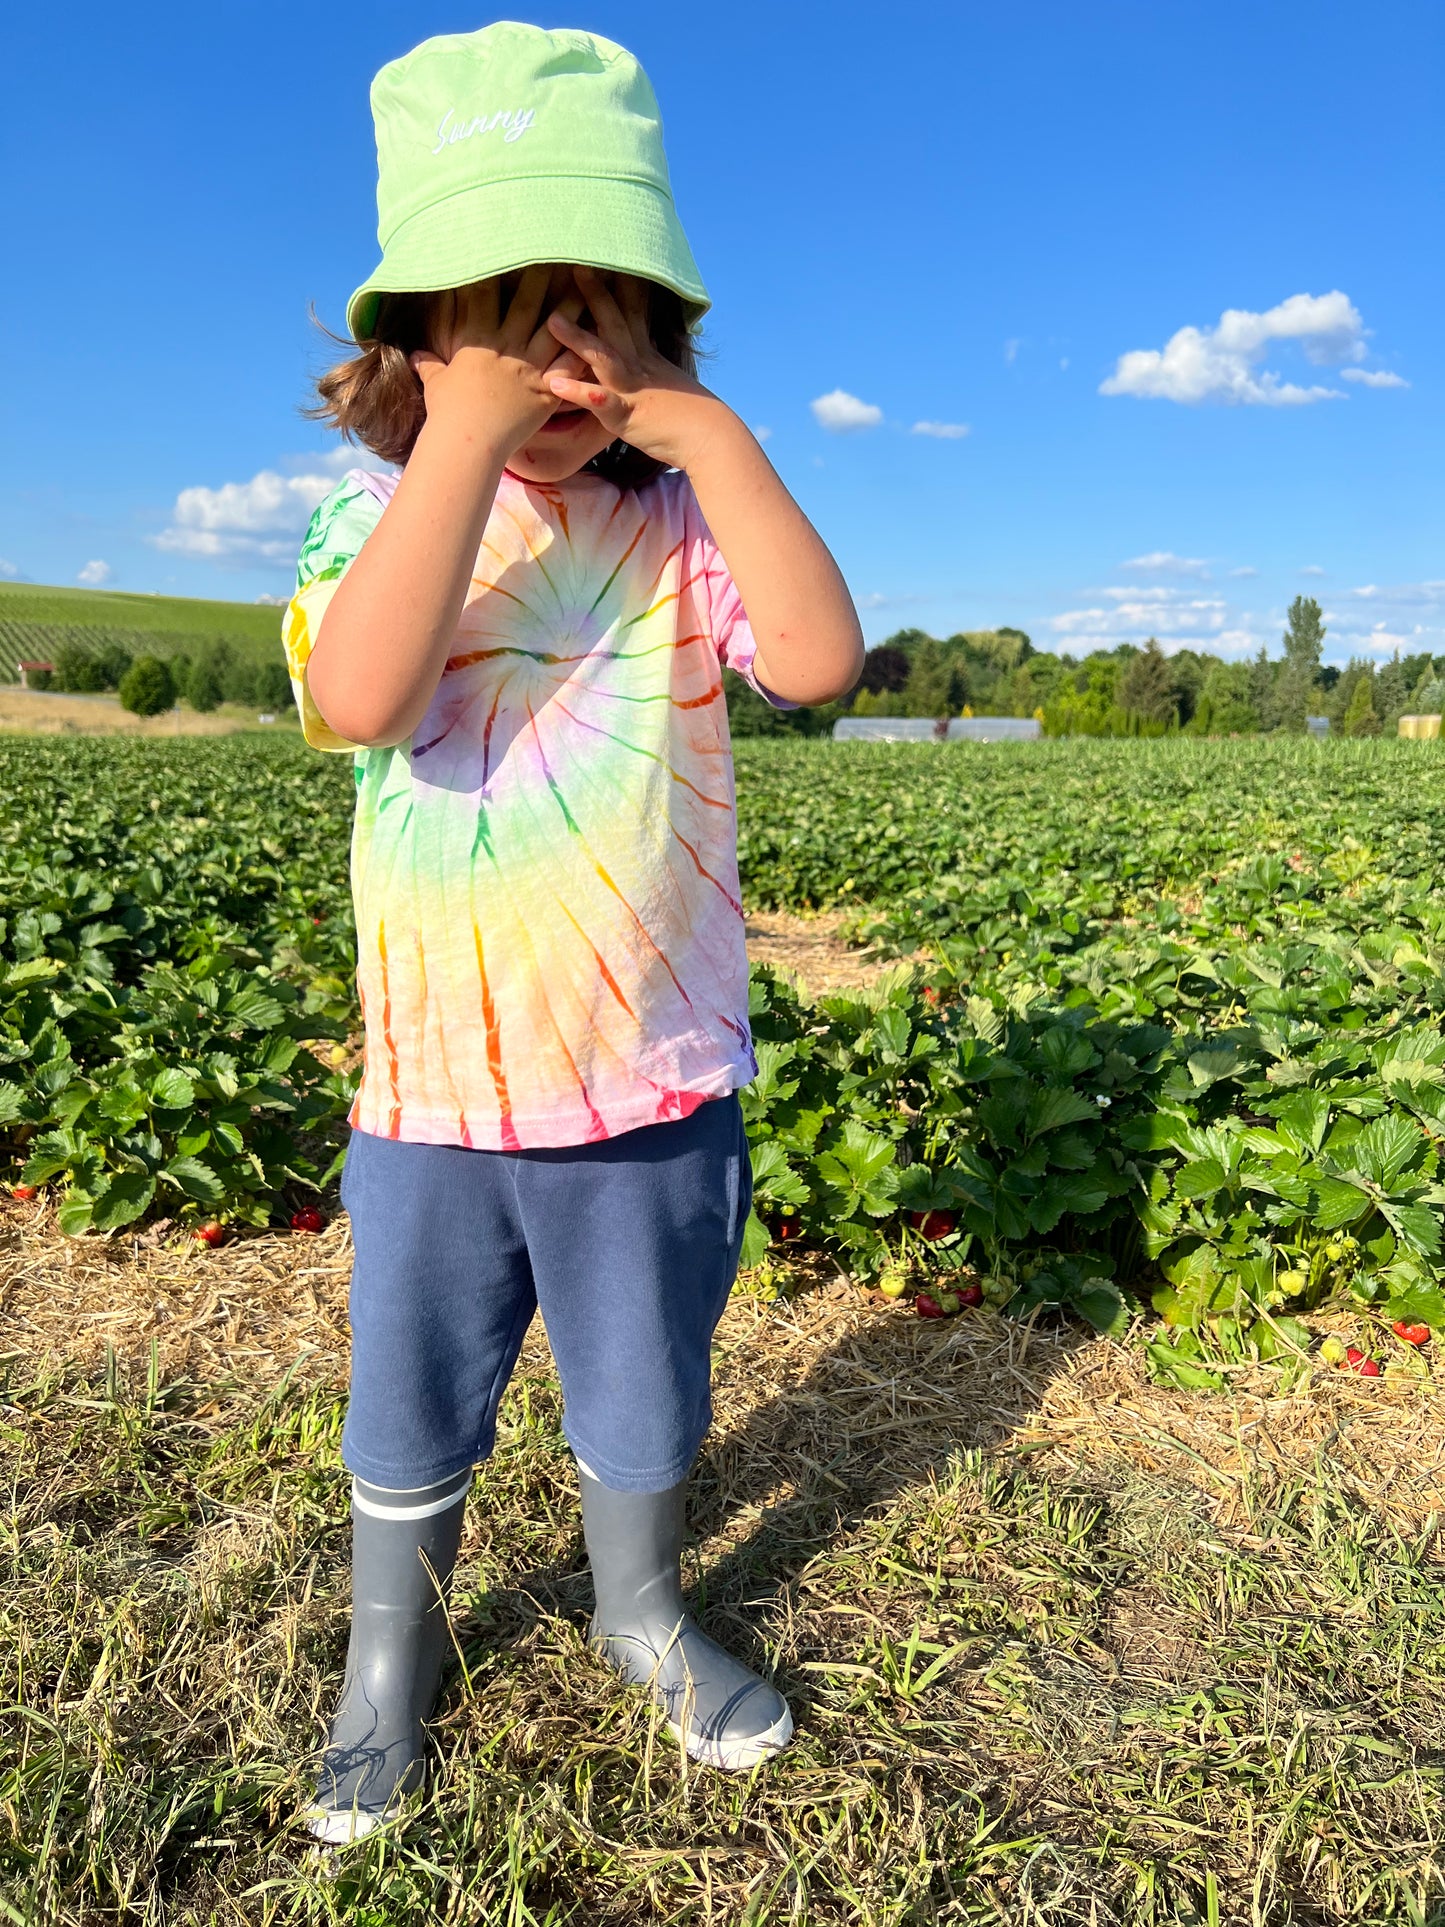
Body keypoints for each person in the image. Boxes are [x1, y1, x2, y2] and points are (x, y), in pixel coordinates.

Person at [284, 20, 863, 1843]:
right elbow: (366, 695)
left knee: (642, 1384)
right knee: (411, 1398)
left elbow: (825, 666)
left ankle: (636, 1610)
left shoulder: (684, 525)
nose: (557, 353)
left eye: (598, 308)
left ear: (658, 334)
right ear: (413, 344)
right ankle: (393, 1656)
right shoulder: (368, 527)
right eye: (503, 310)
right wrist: (453, 447)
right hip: (437, 1094)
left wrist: (719, 441)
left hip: (650, 1078)